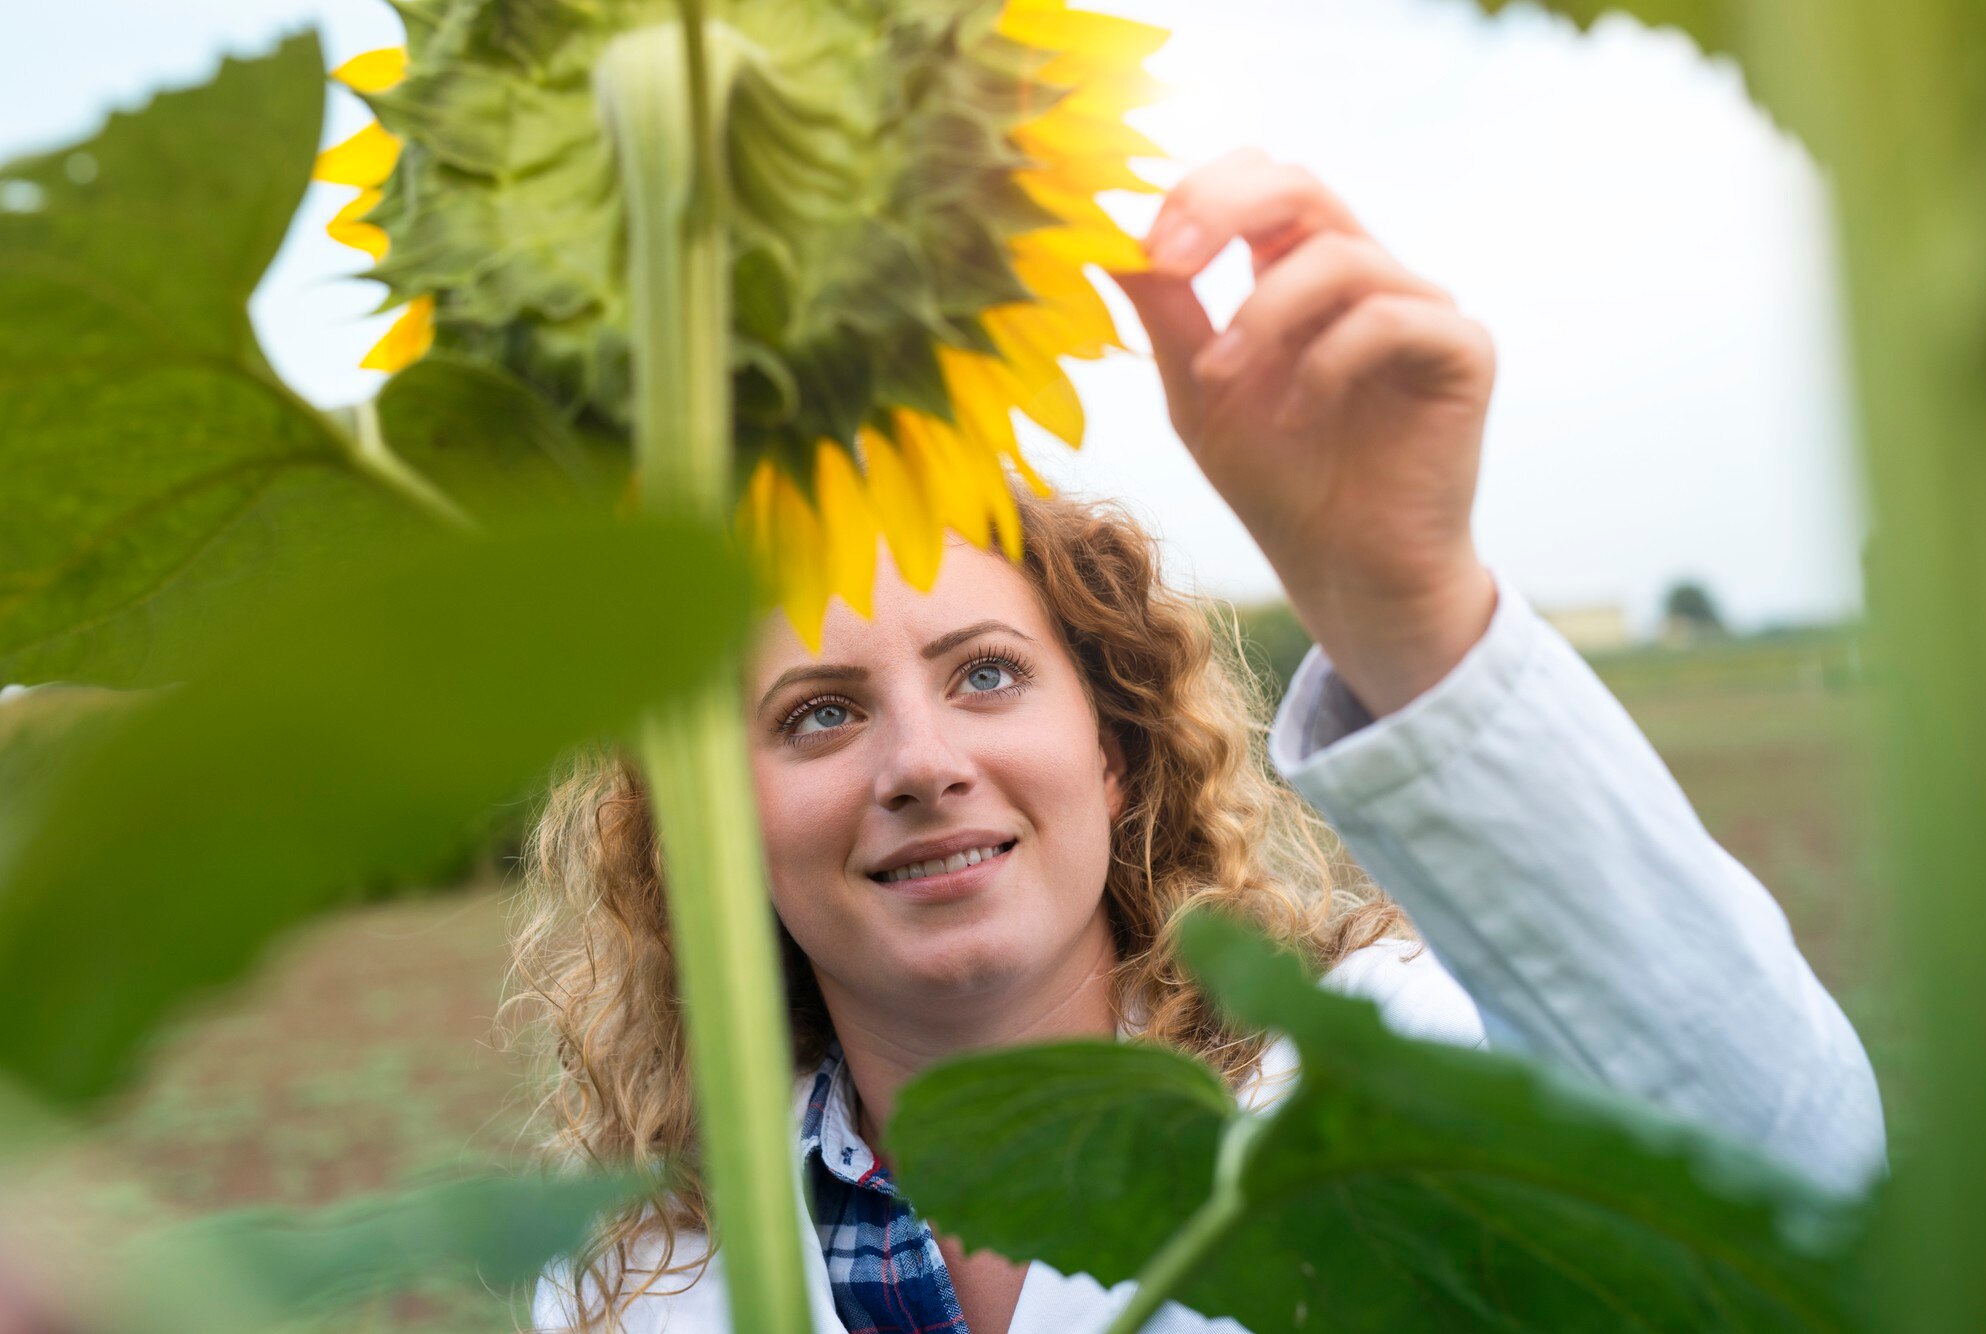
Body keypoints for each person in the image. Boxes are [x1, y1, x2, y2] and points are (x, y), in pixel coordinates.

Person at [519, 148, 1886, 1333]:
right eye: (821, 713)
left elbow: (1795, 1173)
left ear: (1114, 751)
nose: (923, 762)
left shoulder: (1377, 1075)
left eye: (987, 673)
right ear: (707, 826)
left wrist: (1404, 607)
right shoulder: (628, 1293)